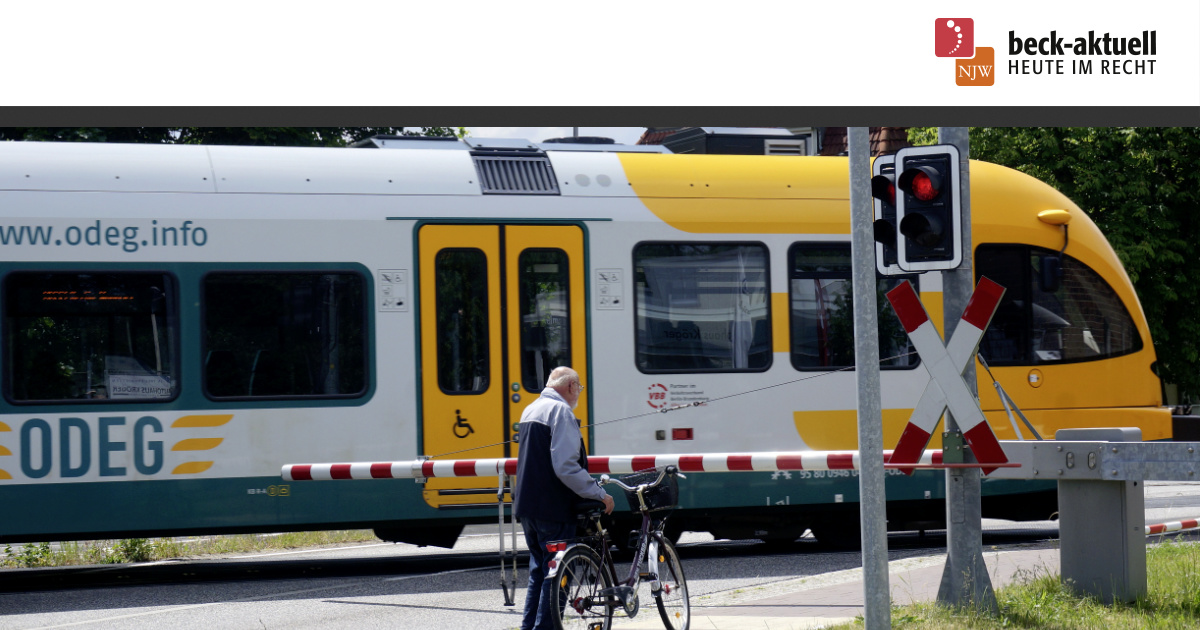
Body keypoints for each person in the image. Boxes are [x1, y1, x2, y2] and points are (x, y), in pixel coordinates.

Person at [513, 366, 614, 630]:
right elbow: (566, 467)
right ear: (570, 386)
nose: (578, 393)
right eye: (578, 387)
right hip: (552, 509)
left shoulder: (530, 410)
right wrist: (599, 494)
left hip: (527, 507)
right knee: (558, 574)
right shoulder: (561, 412)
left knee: (540, 572)